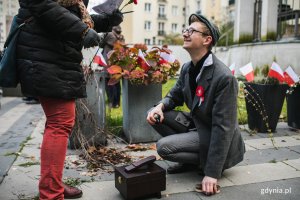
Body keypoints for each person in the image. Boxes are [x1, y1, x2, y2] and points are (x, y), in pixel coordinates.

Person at [16, 0, 123, 199]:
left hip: (55, 55)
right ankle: (51, 192)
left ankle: (52, 183)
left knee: (59, 122)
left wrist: (107, 20)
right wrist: (81, 31)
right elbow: (43, 5)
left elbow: (73, 15)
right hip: (45, 55)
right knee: (60, 123)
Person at [147, 13, 245, 196]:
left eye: (192, 31)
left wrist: (212, 174)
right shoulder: (187, 68)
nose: (185, 33)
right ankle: (191, 160)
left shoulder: (224, 77)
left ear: (207, 40)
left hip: (215, 134)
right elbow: (174, 95)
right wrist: (160, 106)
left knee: (164, 147)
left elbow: (223, 127)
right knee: (154, 114)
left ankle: (206, 163)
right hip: (197, 126)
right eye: (186, 29)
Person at [102, 25, 125, 108]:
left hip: (108, 63)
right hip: (117, 63)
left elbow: (101, 43)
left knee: (108, 83)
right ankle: (117, 103)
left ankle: (111, 103)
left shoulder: (109, 35)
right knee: (117, 83)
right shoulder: (121, 37)